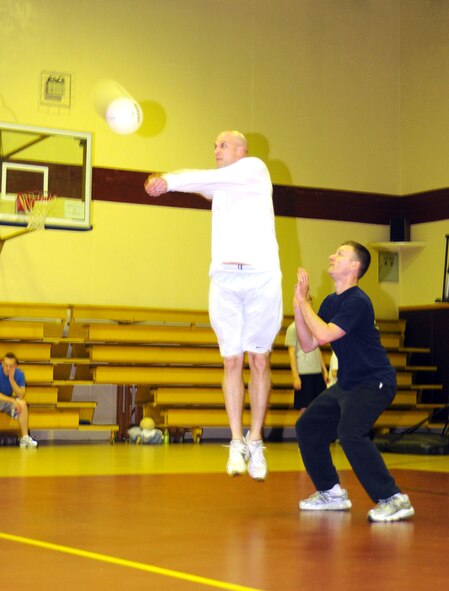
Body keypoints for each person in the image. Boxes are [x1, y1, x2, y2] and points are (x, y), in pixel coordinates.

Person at [144, 131, 282, 480]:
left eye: (222, 145)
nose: (216, 151)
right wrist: (159, 181)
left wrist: (169, 180)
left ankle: (255, 439)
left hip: (262, 277)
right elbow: (200, 185)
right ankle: (236, 440)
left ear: (241, 150)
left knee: (259, 360)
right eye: (214, 146)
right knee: (232, 359)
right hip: (224, 279)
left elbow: (201, 179)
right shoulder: (221, 186)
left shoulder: (255, 168)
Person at [293, 241, 414, 522]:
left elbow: (323, 335)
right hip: (347, 384)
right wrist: (300, 305)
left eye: (340, 254)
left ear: (354, 266)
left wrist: (303, 303)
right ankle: (330, 492)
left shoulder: (358, 301)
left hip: (374, 382)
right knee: (308, 426)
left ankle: (393, 498)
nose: (331, 256)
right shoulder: (331, 302)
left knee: (350, 432)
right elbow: (308, 342)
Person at [266, 308, 328, 442]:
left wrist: (324, 369)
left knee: (317, 407)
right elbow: (291, 353)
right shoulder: (293, 328)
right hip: (304, 373)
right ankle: (302, 439)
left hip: (317, 372)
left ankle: (315, 438)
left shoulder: (314, 327)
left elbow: (318, 350)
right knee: (304, 408)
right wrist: (295, 376)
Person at [0, 352, 38, 448]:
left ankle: (25, 437)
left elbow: (21, 395)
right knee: (16, 401)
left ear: (15, 366)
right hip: (4, 399)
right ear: (2, 364)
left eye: (11, 366)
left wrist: (12, 380)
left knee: (22, 403)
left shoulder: (19, 374)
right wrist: (13, 401)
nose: (8, 369)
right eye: (6, 366)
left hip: (7, 401)